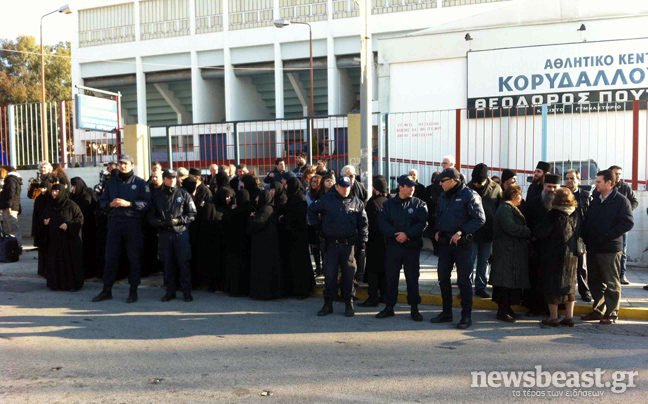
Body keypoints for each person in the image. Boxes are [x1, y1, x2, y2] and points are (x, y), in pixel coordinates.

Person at [92, 155, 151, 304]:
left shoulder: (140, 183)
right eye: (121, 164)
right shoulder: (111, 183)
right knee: (110, 257)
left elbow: (147, 204)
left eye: (126, 164)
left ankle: (133, 291)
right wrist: (109, 204)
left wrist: (129, 204)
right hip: (115, 223)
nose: (123, 166)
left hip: (132, 224)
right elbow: (102, 201)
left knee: (133, 257)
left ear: (132, 165)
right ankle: (107, 290)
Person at [432, 168, 485, 329]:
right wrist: (438, 230)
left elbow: (480, 219)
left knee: (464, 281)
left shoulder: (469, 195)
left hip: (462, 245)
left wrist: (461, 232)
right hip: (445, 243)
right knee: (443, 278)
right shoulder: (443, 195)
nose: (440, 183)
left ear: (453, 181)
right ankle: (446, 312)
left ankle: (466, 316)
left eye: (443, 180)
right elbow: (440, 215)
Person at [308, 176, 368, 317]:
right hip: (331, 245)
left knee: (348, 275)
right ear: (337, 186)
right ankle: (328, 304)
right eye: (342, 186)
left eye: (348, 186)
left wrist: (363, 241)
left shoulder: (357, 203)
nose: (345, 189)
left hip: (348, 246)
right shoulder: (326, 200)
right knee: (330, 275)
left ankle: (349, 303)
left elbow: (363, 223)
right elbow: (311, 210)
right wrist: (317, 227)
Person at [581, 170, 634, 325]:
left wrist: (608, 235)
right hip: (593, 248)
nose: (595, 184)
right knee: (595, 282)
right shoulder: (596, 198)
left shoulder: (621, 201)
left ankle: (611, 313)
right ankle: (598, 310)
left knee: (611, 283)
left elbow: (628, 223)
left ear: (609, 183)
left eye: (598, 182)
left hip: (610, 249)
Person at [376, 175, 428, 321]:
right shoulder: (389, 204)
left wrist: (407, 234)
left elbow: (422, 223)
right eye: (409, 186)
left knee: (412, 278)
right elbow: (383, 223)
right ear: (401, 187)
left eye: (414, 186)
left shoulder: (419, 204)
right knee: (391, 277)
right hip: (394, 246)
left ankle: (414, 308)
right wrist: (395, 234)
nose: (412, 189)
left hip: (411, 247)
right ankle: (389, 307)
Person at [148, 169, 197, 302]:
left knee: (183, 263)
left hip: (180, 233)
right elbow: (150, 216)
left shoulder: (184, 194)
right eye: (169, 178)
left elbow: (192, 214)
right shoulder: (157, 196)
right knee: (168, 264)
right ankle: (170, 292)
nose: (172, 180)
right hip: (165, 234)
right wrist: (161, 223)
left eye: (174, 178)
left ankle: (187, 292)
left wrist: (179, 220)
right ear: (164, 179)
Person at [534, 188, 580, 327]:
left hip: (554, 254)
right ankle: (569, 317)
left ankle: (553, 317)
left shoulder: (553, 213)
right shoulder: (575, 213)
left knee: (552, 285)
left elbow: (542, 232)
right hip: (572, 254)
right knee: (569, 285)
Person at [490, 185, 530, 323]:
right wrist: (526, 231)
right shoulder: (505, 208)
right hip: (506, 250)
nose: (522, 198)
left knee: (510, 280)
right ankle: (502, 310)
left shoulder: (508, 208)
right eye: (520, 195)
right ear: (513, 196)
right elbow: (510, 227)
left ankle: (507, 308)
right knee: (504, 281)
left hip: (511, 250)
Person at [522, 173, 561, 316]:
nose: (551, 189)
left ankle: (551, 308)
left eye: (554, 187)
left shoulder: (562, 204)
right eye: (549, 186)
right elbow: (525, 222)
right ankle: (534, 307)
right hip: (536, 247)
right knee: (534, 278)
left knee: (552, 280)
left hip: (555, 249)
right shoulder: (533, 203)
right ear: (544, 186)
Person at [467, 163, 502, 298]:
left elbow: (500, 207)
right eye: (475, 182)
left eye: (479, 183)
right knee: (468, 260)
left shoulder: (496, 188)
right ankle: (466, 286)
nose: (477, 185)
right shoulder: (468, 187)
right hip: (472, 231)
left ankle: (480, 287)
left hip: (488, 231)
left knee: (484, 260)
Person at [42, 182, 85, 291]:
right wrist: (45, 221)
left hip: (69, 241)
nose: (54, 193)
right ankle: (56, 284)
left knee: (70, 262)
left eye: (57, 191)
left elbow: (79, 219)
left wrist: (68, 225)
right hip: (55, 240)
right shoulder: (50, 205)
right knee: (56, 262)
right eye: (53, 191)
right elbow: (43, 217)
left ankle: (72, 285)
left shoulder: (71, 205)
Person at [358, 176, 390, 308]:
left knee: (372, 272)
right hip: (387, 242)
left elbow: (369, 225)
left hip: (375, 242)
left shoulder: (373, 203)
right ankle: (383, 296)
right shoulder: (388, 202)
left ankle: (372, 298)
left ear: (375, 188)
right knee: (384, 271)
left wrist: (365, 240)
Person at [282, 177, 316, 299]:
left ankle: (303, 290)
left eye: (287, 184)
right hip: (296, 236)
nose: (286, 187)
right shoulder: (296, 197)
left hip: (297, 236)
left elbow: (298, 218)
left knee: (300, 264)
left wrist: (285, 219)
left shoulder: (299, 199)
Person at [248, 190, 283, 299]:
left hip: (264, 245)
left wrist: (251, 217)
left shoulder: (265, 210)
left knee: (264, 269)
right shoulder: (267, 209)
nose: (256, 199)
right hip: (266, 244)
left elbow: (258, 223)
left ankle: (264, 293)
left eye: (259, 197)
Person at [198, 186, 234, 291]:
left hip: (223, 240)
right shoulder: (211, 206)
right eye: (226, 197)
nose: (228, 199)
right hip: (212, 240)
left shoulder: (228, 206)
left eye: (230, 197)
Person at [564, 169, 592, 302]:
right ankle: (566, 290)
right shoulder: (561, 195)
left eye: (572, 178)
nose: (569, 181)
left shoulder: (585, 195)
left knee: (582, 265)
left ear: (578, 180)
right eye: (567, 178)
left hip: (580, 235)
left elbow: (589, 216)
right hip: (564, 235)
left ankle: (584, 291)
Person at [608, 165, 638, 285]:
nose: (618, 176)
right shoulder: (606, 185)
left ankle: (622, 275)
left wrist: (626, 211)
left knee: (623, 251)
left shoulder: (625, 187)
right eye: (615, 173)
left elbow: (634, 201)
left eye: (619, 173)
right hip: (608, 223)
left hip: (621, 224)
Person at [224, 189, 255, 296]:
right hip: (247, 242)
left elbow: (227, 221)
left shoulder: (235, 210)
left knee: (235, 266)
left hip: (234, 243)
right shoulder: (251, 208)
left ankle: (235, 290)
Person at [70, 177, 99, 279]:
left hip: (87, 227)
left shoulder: (86, 196)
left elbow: (86, 211)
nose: (73, 188)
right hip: (77, 228)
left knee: (88, 250)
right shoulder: (72, 196)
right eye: (72, 186)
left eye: (74, 186)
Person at [33, 179, 52, 277]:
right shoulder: (39, 198)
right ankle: (42, 270)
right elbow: (35, 214)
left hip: (49, 226)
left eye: (44, 188)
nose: (43, 190)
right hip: (40, 226)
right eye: (41, 188)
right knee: (42, 249)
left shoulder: (50, 198)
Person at [0, 167, 23, 249]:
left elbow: (11, 193)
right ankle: (12, 247)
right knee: (8, 229)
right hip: (10, 207)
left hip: (10, 208)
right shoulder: (13, 179)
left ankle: (17, 247)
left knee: (12, 228)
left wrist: (8, 206)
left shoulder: (11, 179)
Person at [306, 174, 323, 276]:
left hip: (322, 223)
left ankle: (324, 267)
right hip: (311, 223)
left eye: (315, 181)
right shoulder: (308, 193)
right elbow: (311, 206)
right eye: (312, 181)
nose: (313, 183)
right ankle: (318, 267)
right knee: (314, 246)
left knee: (323, 246)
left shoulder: (323, 193)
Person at [424, 172, 442, 256]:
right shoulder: (428, 189)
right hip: (431, 212)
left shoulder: (443, 188)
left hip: (440, 213)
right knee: (432, 232)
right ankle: (435, 249)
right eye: (434, 177)